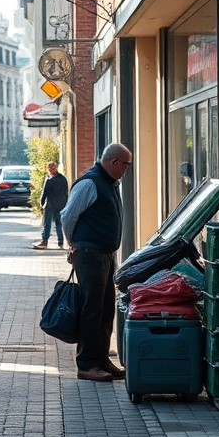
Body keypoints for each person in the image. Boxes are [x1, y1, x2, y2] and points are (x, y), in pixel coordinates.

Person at [61, 142, 131, 383]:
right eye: (126, 165)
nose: (127, 170)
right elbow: (68, 216)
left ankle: (101, 359)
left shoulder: (110, 183)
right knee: (92, 308)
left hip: (104, 253)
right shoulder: (90, 182)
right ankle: (87, 364)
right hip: (89, 253)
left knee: (105, 308)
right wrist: (73, 242)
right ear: (113, 162)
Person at [33, 161, 69, 249]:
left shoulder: (49, 179)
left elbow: (45, 193)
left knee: (47, 223)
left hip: (50, 204)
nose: (51, 169)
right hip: (60, 203)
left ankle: (45, 241)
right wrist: (65, 203)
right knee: (58, 223)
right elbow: (66, 192)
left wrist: (41, 203)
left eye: (51, 168)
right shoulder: (63, 179)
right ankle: (60, 242)